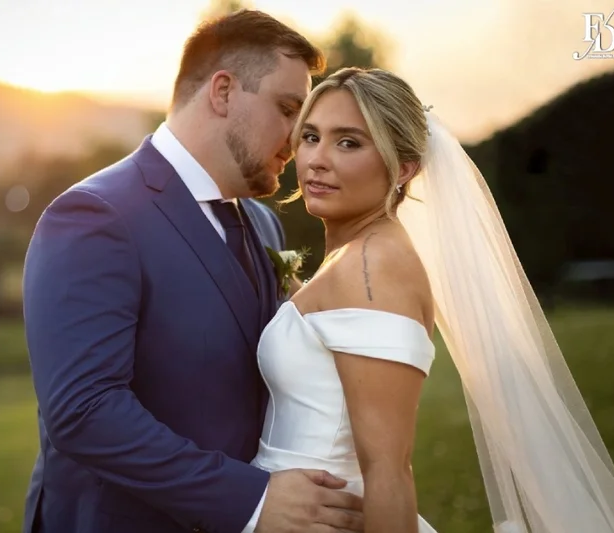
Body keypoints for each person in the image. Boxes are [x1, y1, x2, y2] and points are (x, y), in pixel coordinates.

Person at [21, 10, 364, 533]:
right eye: (288, 108)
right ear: (223, 92)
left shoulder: (264, 225)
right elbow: (85, 410)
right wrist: (252, 501)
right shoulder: (95, 215)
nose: (299, 140)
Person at [250, 65, 614, 533]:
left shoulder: (373, 267)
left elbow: (388, 469)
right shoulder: (355, 257)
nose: (316, 159)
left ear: (404, 167)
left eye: (348, 142)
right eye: (310, 136)